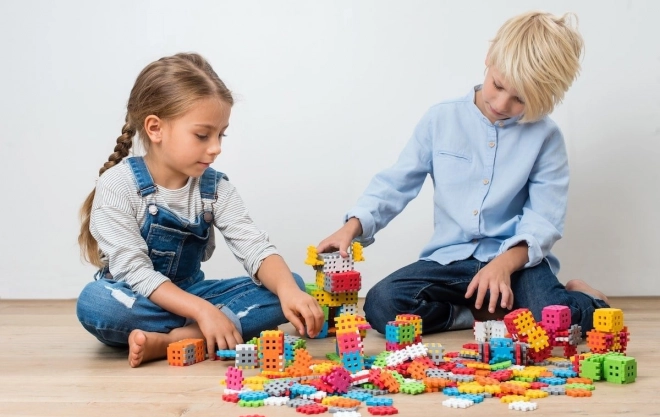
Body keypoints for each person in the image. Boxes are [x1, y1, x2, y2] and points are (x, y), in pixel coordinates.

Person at [317, 11, 609, 336]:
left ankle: (586, 297)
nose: (500, 103)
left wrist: (503, 264)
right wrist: (351, 227)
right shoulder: (440, 120)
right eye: (497, 85)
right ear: (489, 58)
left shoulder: (546, 138)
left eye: (519, 100)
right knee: (382, 303)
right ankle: (473, 313)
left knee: (551, 322)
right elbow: (397, 183)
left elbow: (543, 219)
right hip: (450, 262)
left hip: (515, 263)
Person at [77, 53, 324, 367]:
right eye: (202, 135)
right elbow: (135, 273)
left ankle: (175, 340)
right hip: (136, 297)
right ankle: (211, 326)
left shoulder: (215, 189)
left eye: (221, 134)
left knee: (292, 285)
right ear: (155, 128)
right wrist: (204, 311)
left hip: (192, 292)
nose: (216, 147)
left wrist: (288, 291)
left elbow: (254, 246)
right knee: (96, 304)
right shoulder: (117, 184)